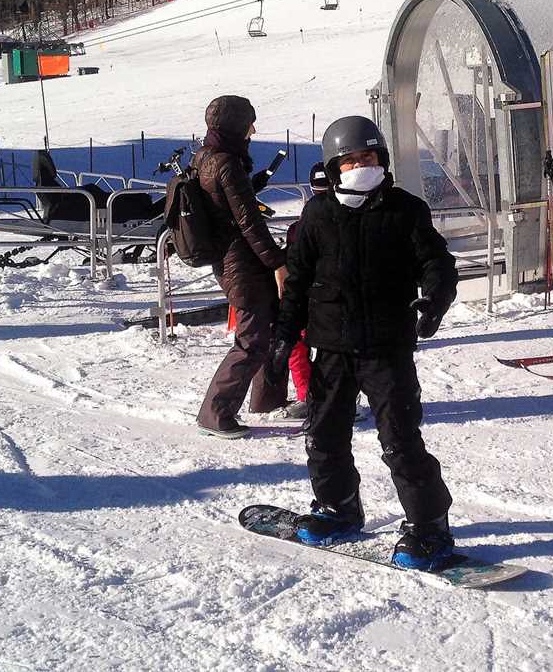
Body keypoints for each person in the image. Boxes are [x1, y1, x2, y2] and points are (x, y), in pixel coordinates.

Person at [271, 115, 459, 571]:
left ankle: (429, 524)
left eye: (369, 157)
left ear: (383, 160)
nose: (361, 166)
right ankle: (338, 507)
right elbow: (297, 280)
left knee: (400, 439)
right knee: (324, 434)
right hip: (331, 348)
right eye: (351, 160)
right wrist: (282, 334)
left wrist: (434, 300)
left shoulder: (404, 210)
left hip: (386, 347)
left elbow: (437, 263)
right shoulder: (317, 214)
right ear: (334, 167)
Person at [194, 95, 289, 438]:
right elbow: (249, 221)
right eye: (249, 121)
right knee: (251, 339)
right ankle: (214, 413)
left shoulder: (205, 156)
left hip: (237, 258)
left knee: (272, 327)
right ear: (235, 124)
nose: (253, 129)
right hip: (241, 262)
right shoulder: (226, 164)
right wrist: (277, 262)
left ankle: (268, 400)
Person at [274, 162, 331, 422]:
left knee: (302, 346)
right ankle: (318, 395)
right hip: (319, 297)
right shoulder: (304, 225)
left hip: (314, 297)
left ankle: (313, 395)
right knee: (326, 349)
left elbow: (294, 267)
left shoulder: (301, 225)